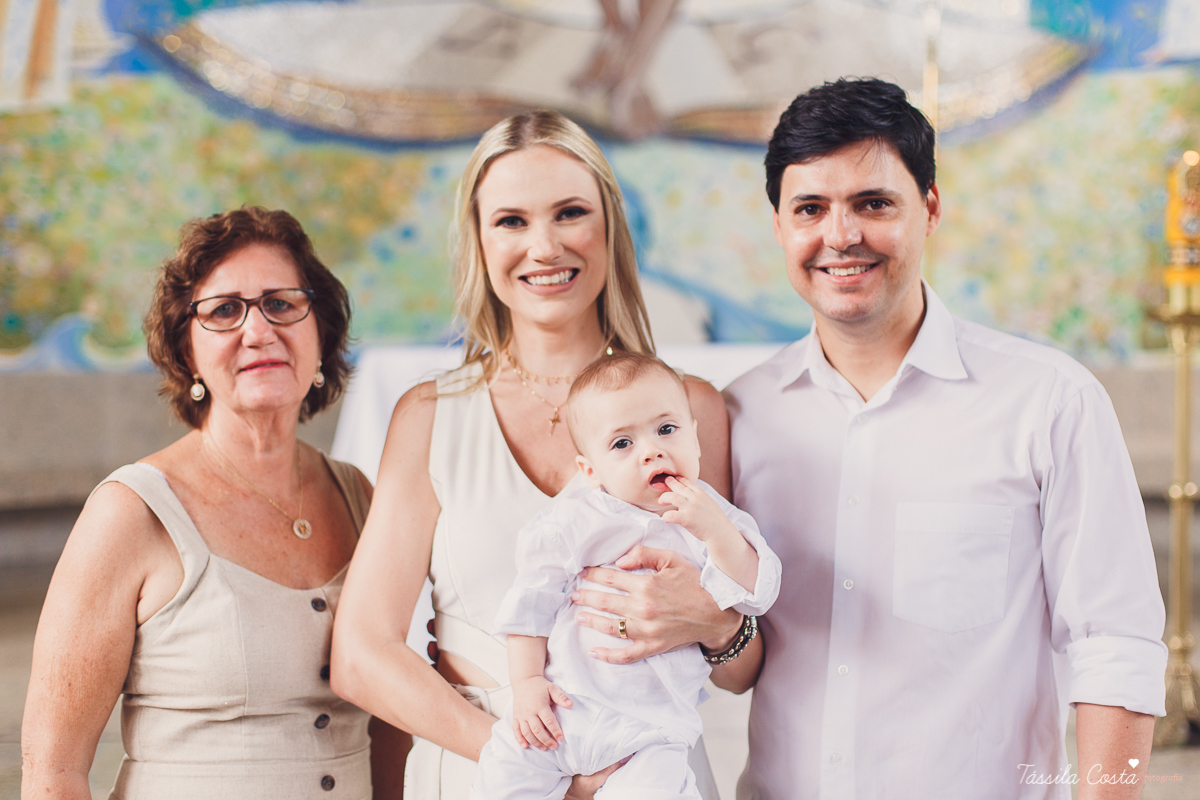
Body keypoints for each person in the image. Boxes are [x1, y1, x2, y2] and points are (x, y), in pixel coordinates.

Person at [722, 78, 1167, 799]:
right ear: (779, 226)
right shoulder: (740, 414)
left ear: (929, 209)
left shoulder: (1049, 401)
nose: (841, 236)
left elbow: (1114, 643)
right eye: (810, 208)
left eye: (874, 203)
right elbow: (733, 649)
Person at [331, 110, 751, 799]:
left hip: (651, 774)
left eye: (570, 213)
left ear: (610, 228)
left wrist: (713, 620)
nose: (544, 246)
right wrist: (545, 768)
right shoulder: (430, 416)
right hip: (485, 774)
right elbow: (361, 653)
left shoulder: (691, 408)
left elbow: (739, 669)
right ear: (479, 240)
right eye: (512, 221)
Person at [20, 207, 409, 799]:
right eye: (225, 310)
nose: (258, 330)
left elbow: (393, 721)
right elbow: (52, 772)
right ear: (186, 351)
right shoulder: (130, 512)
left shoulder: (361, 498)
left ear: (321, 334)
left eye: (281, 303)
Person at [471, 354, 781, 799]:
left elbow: (757, 593)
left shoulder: (713, 517)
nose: (652, 450)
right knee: (500, 779)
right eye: (622, 443)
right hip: (562, 713)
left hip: (651, 733)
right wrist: (526, 683)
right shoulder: (576, 521)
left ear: (695, 439)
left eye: (666, 429)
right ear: (590, 471)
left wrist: (716, 532)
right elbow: (530, 603)